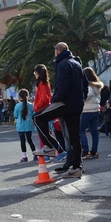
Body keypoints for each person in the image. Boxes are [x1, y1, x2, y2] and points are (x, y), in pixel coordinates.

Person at [33, 43, 87, 179]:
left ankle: (50, 146)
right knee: (74, 136)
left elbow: (62, 86)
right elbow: (85, 84)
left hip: (65, 102)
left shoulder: (63, 64)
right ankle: (76, 167)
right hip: (77, 104)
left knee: (37, 117)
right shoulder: (76, 63)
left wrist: (55, 99)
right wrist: (82, 99)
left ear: (57, 51)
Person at [80, 67, 103, 160]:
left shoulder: (88, 86)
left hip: (86, 110)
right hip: (95, 110)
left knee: (81, 131)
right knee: (94, 132)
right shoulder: (97, 86)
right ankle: (94, 151)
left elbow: (86, 96)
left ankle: (86, 150)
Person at [14, 88, 37, 162]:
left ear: (19, 97)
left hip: (20, 126)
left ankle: (24, 156)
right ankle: (35, 155)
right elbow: (34, 114)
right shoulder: (31, 105)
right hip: (29, 125)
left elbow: (16, 115)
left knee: (22, 141)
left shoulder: (17, 106)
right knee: (30, 140)